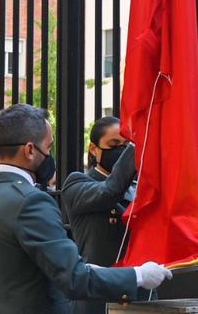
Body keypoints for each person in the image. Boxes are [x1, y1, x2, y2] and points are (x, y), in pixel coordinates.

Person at [0, 104, 169, 312]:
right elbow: (73, 277)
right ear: (29, 150)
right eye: (48, 147)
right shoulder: (31, 202)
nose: (49, 155)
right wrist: (139, 275)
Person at [61, 116, 140, 313]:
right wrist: (136, 145)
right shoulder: (78, 183)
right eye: (114, 145)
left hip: (138, 291)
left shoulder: (137, 187)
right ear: (94, 149)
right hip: (98, 296)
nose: (121, 151)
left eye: (125, 145)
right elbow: (109, 192)